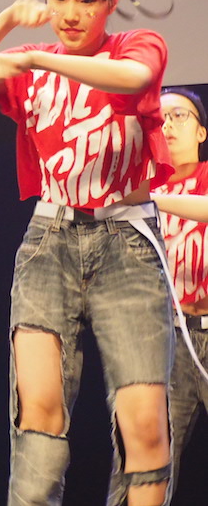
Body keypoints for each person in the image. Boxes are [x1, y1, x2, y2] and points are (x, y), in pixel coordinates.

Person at [0, 0, 183, 506]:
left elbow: (132, 78)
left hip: (127, 244)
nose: (71, 13)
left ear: (111, 3)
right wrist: (5, 23)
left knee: (145, 422)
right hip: (49, 242)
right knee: (39, 412)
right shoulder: (33, 66)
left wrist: (38, 59)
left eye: (86, 0)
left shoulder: (134, 47)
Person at [150, 87, 208, 499]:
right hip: (168, 338)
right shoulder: (144, 187)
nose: (168, 125)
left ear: (201, 132)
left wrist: (151, 199)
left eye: (179, 116)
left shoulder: (151, 194)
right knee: (147, 458)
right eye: (160, 119)